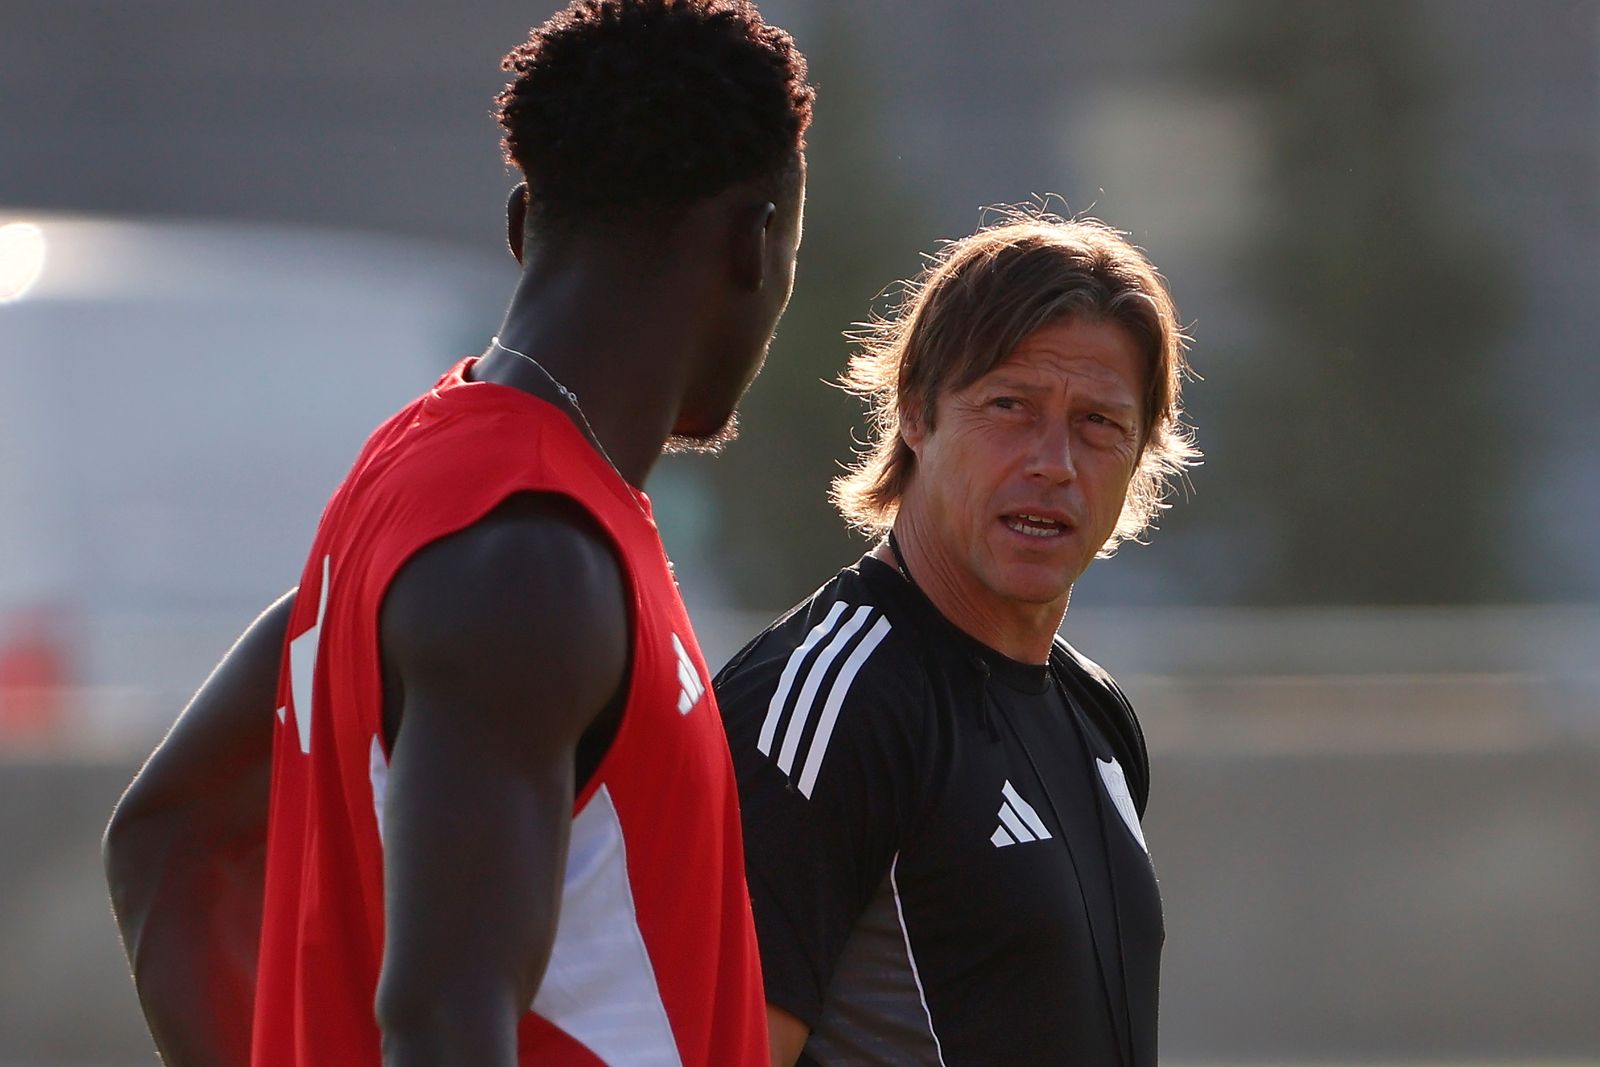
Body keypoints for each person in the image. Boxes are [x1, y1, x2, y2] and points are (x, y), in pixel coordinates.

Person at [102, 2, 813, 1064]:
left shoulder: (424, 485)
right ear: (754, 245)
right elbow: (441, 1017)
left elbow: (170, 835)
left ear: (523, 224)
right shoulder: (531, 555)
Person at [715, 210, 1199, 1067]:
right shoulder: (828, 701)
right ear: (916, 412)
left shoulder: (1097, 714)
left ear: (1139, 457)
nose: (1054, 459)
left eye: (1098, 422)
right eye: (1009, 405)